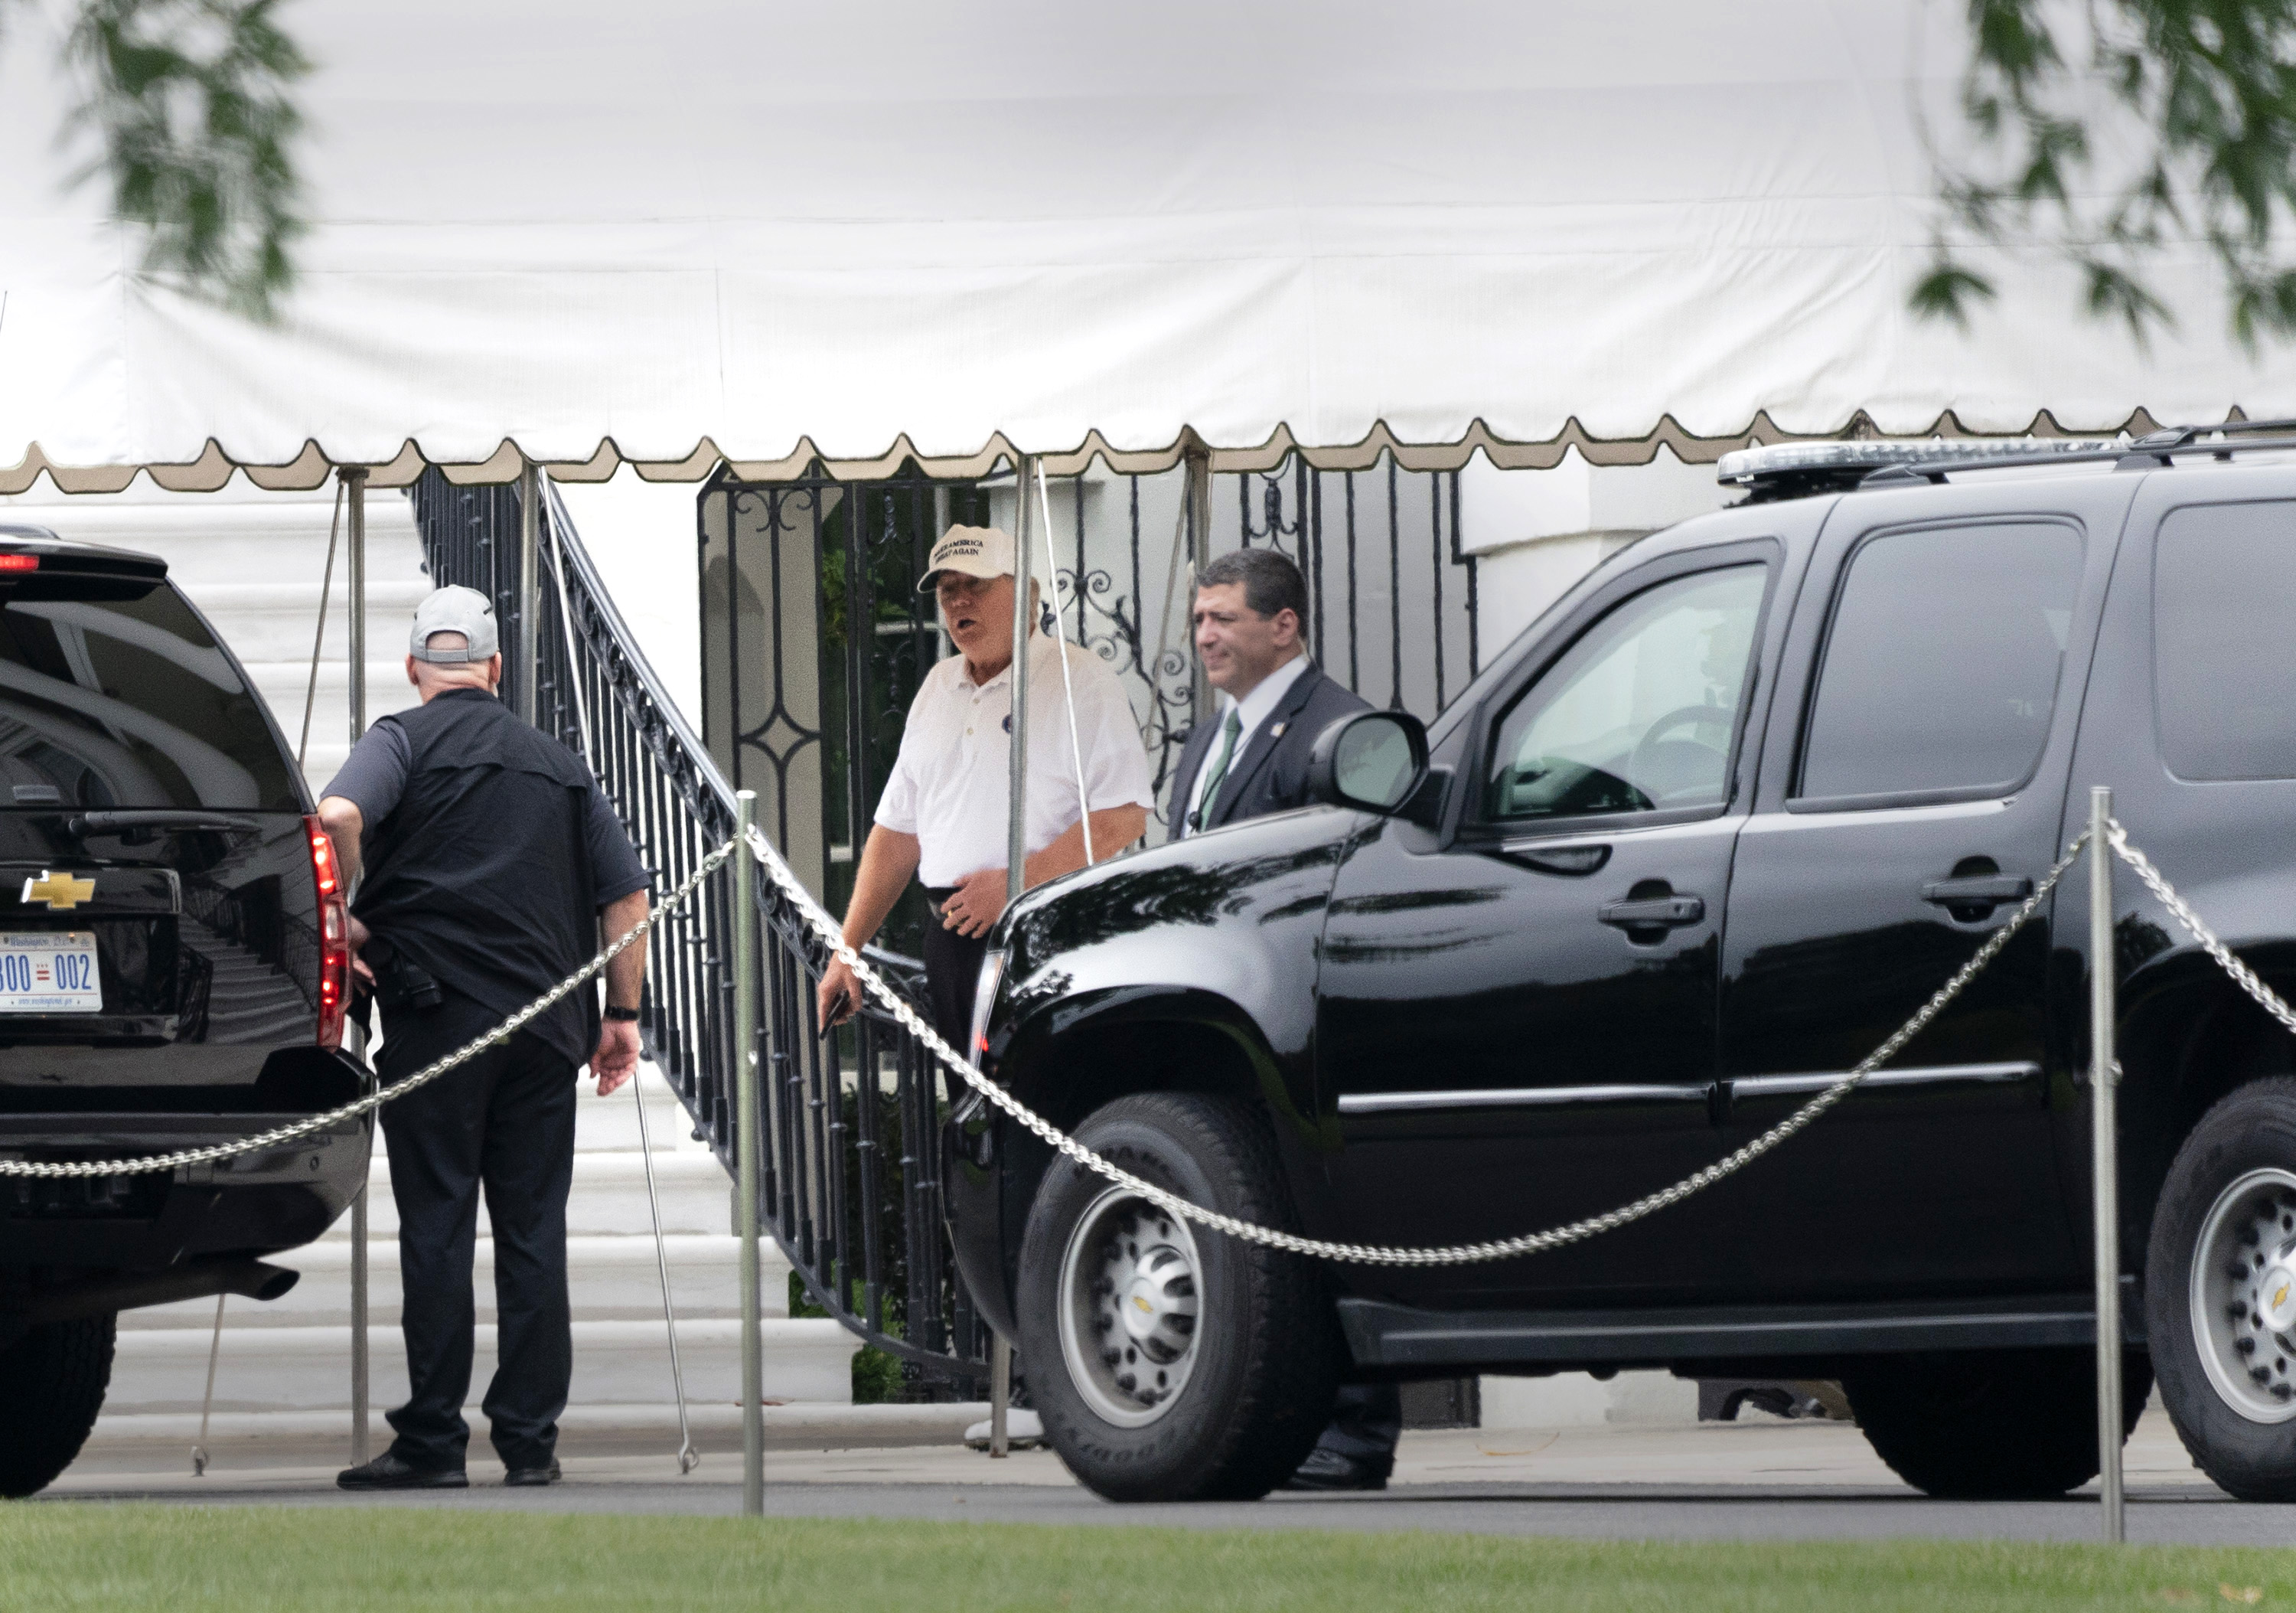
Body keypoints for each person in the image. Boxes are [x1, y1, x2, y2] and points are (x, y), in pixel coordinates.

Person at [815, 524, 1151, 1453]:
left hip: (1043, 937)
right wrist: (848, 949)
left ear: (1025, 590)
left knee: (1046, 1147)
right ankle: (1028, 1364)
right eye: (943, 590)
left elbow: (1127, 812)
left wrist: (1021, 875)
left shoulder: (1077, 680)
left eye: (975, 585)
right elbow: (895, 833)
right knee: (983, 1155)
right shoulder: (934, 688)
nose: (957, 604)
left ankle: (1064, 1376)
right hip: (955, 944)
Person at [322, 585, 653, 1492]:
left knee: (438, 1226)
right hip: (546, 1029)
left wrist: (346, 917)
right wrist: (620, 1017)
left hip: (437, 1025)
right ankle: (530, 1442)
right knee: (533, 1229)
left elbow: (341, 815)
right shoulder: (559, 762)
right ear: (496, 668)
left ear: (414, 670)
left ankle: (433, 1442)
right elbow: (627, 897)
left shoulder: (397, 738)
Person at [1165, 547, 1398, 1493]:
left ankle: (1354, 1429)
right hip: (1216, 1026)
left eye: (1223, 618)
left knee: (1323, 1219)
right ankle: (1280, 1423)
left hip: (1301, 1025)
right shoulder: (1208, 739)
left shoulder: (1342, 731)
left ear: (1285, 624)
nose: (1206, 635)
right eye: (1200, 619)